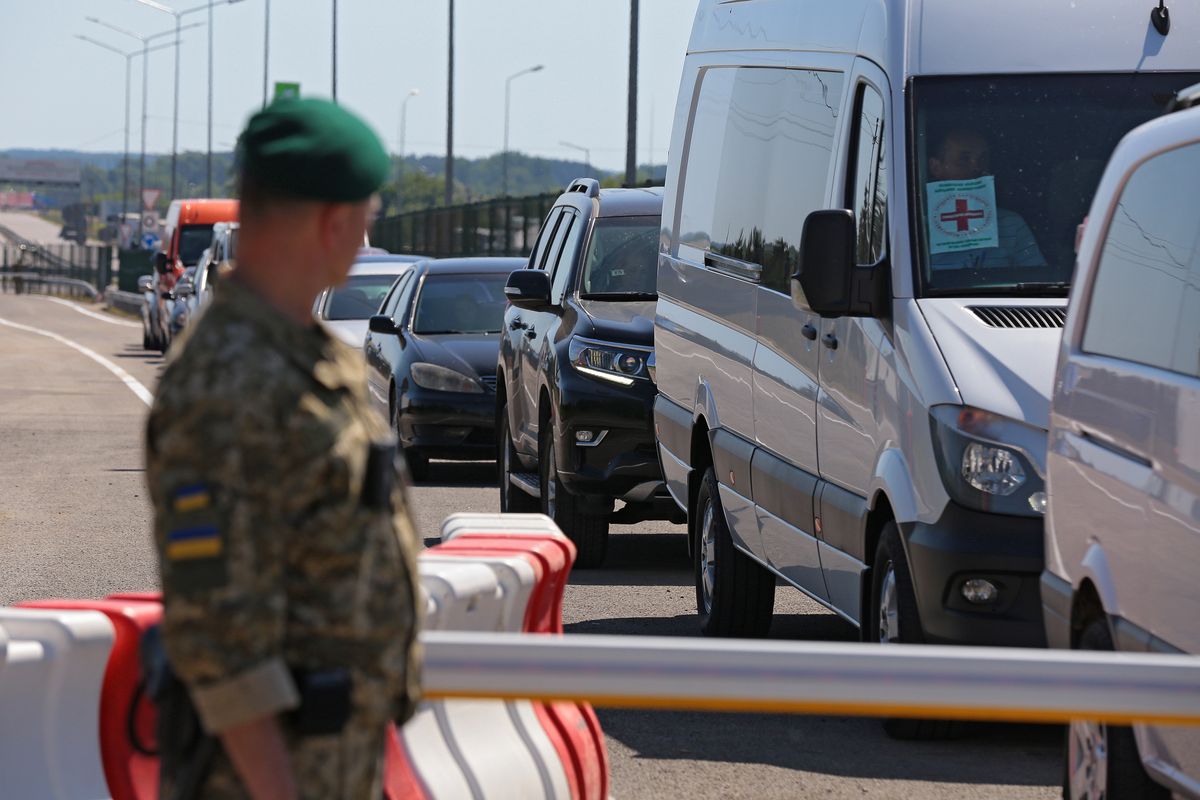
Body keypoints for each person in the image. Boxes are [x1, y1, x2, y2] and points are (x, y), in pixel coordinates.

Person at [145, 98, 421, 800]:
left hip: (338, 762)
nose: (365, 238)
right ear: (335, 221)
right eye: (366, 218)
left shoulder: (316, 357)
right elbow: (219, 639)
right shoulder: (224, 381)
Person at [926, 127, 1046, 270]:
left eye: (983, 159)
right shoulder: (916, 228)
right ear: (936, 168)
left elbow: (1035, 279)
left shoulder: (1011, 224)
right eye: (964, 159)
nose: (977, 168)